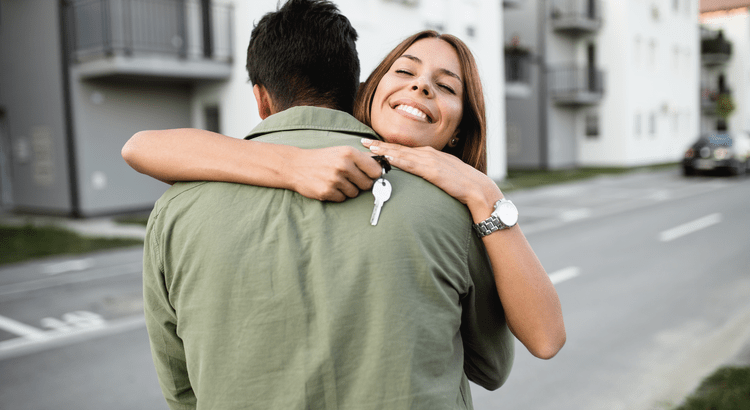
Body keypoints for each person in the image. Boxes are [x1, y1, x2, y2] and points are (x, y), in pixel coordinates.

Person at [130, 1, 565, 409]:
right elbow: (492, 366)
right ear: (363, 89)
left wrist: (483, 192)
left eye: (447, 86)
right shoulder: (447, 212)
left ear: (261, 99)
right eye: (405, 71)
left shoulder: (176, 208)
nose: (421, 86)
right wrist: (294, 166)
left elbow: (183, 390)